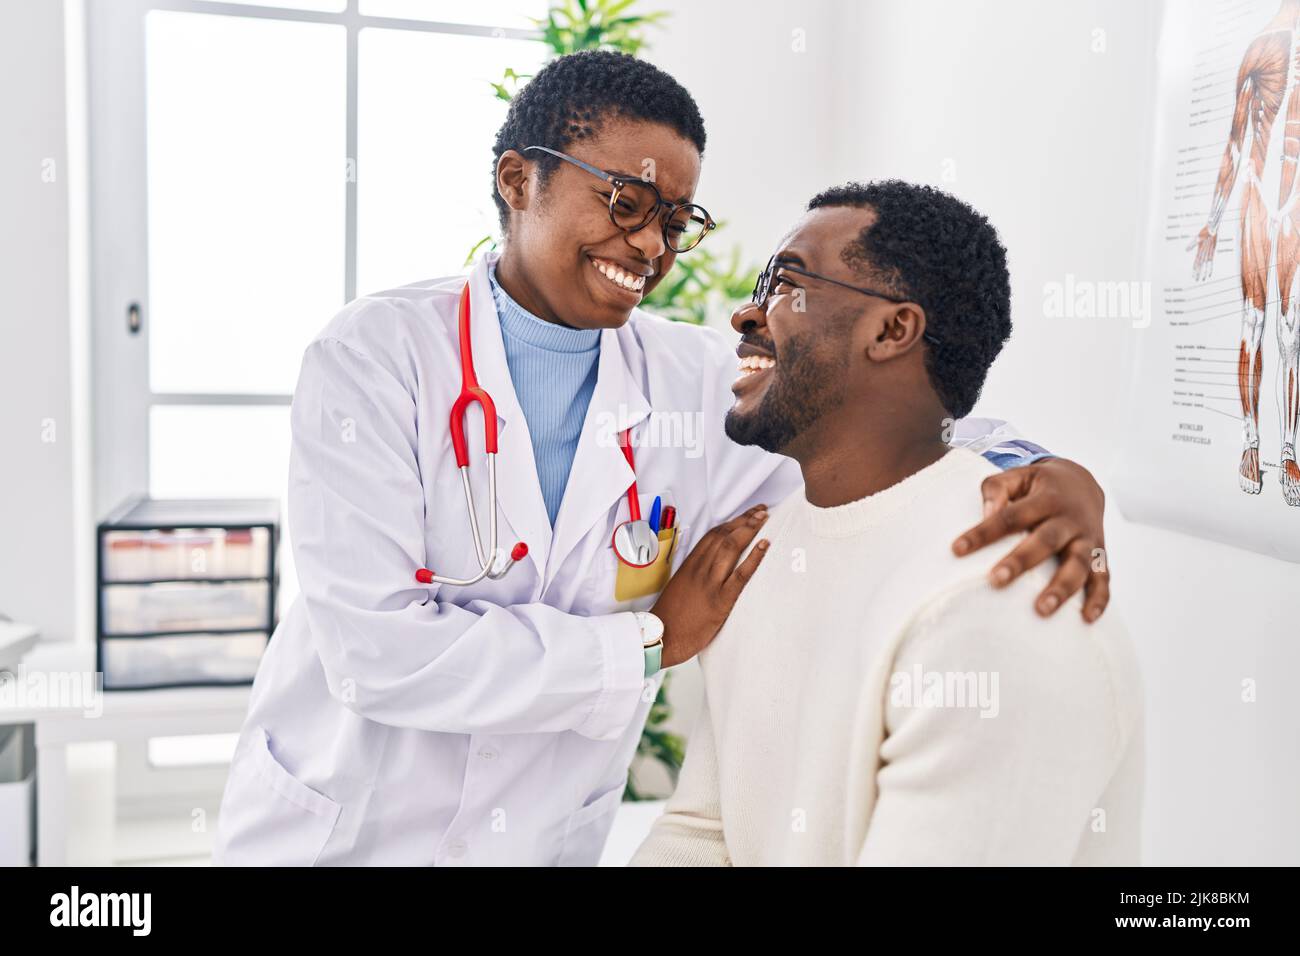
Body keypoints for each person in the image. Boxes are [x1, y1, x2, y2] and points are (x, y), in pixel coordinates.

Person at [214, 52, 1113, 867]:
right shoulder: (377, 356)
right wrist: (648, 641)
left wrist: (1059, 475)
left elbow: (892, 419)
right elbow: (377, 653)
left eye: (676, 220)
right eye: (627, 202)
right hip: (344, 832)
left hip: (535, 842)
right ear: (519, 179)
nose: (653, 246)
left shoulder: (692, 380)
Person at [631, 181, 1143, 867]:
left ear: (893, 331)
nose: (746, 314)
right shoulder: (765, 551)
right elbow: (701, 832)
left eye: (787, 285)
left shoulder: (996, 605)